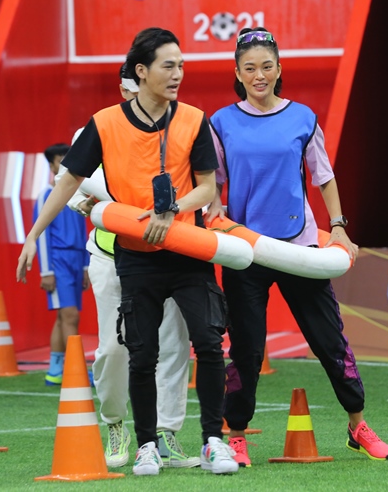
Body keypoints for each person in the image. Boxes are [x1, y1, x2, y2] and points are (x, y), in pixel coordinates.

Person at [17, 28, 238, 476]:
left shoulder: (194, 119)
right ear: (141, 71)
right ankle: (144, 443)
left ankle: (213, 440)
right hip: (131, 256)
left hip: (186, 250)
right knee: (138, 353)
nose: (177, 74)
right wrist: (33, 235)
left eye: (181, 66)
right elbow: (69, 181)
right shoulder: (103, 124)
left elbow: (208, 188)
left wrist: (172, 209)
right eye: (168, 66)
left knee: (207, 343)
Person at [207, 27, 388, 466]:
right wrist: (215, 211)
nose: (259, 75)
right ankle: (237, 436)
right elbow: (213, 181)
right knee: (246, 350)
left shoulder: (303, 118)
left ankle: (358, 425)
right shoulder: (221, 122)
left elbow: (323, 176)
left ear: (279, 69)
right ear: (237, 72)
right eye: (250, 68)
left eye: (266, 67)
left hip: (301, 247)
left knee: (330, 340)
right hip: (245, 251)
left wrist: (339, 227)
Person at [61, 65, 199, 469]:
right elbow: (70, 185)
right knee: (113, 348)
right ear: (127, 89)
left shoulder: (181, 129)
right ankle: (116, 423)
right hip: (111, 257)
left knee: (173, 345)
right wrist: (88, 204)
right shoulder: (98, 129)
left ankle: (166, 434)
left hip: (170, 253)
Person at [33, 143, 90, 386]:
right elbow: (40, 236)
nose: (66, 163)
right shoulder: (46, 196)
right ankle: (77, 371)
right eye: (60, 160)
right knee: (70, 316)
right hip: (58, 262)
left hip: (76, 261)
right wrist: (46, 271)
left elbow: (84, 231)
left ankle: (55, 371)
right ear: (51, 165)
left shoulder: (77, 195)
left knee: (63, 317)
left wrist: (86, 266)